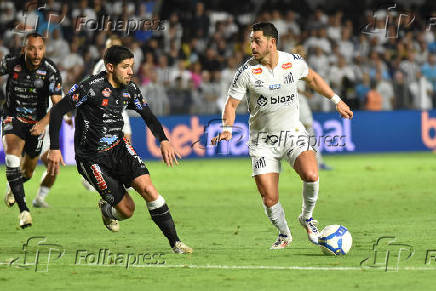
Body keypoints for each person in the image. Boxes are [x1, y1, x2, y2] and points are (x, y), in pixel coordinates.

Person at [211, 23, 353, 249]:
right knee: (269, 198)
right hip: (262, 142)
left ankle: (307, 217)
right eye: (251, 41)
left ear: (272, 42)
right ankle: (284, 234)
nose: (252, 45)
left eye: (257, 40)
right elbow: (231, 103)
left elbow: (314, 79)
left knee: (311, 174)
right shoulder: (247, 71)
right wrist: (227, 129)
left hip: (293, 134)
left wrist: (337, 101)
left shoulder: (293, 62)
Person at [46, 45, 192, 254]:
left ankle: (175, 243)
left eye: (132, 66)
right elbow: (58, 111)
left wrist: (164, 140)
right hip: (92, 158)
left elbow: (148, 116)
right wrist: (54, 148)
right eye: (125, 67)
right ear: (110, 67)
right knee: (127, 210)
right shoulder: (90, 87)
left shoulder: (130, 89)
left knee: (149, 189)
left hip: (119, 148)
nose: (131, 71)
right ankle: (107, 209)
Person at [1, 32, 63, 227]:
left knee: (27, 172)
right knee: (12, 157)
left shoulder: (50, 70)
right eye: (32, 49)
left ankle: (13, 185)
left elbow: (58, 107)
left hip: (37, 124)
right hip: (13, 117)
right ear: (24, 50)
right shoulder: (12, 62)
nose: (36, 53)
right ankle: (24, 211)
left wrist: (43, 124)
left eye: (40, 49)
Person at [81, 36, 132, 192]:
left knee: (126, 141)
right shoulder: (101, 66)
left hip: (120, 108)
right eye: (110, 47)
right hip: (105, 110)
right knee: (103, 144)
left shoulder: (124, 65)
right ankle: (90, 176)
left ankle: (123, 177)